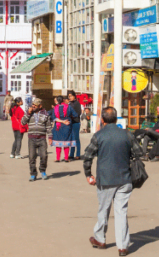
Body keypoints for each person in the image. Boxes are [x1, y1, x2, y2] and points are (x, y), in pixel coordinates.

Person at [83, 107, 143, 256]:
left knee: (103, 210)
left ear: (102, 120)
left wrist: (88, 174)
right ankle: (122, 246)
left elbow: (87, 156)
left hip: (105, 179)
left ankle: (100, 239)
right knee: (121, 212)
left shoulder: (98, 136)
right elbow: (139, 152)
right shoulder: (127, 134)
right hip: (125, 178)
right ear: (116, 119)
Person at [22, 98, 53, 181]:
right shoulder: (29, 113)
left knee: (44, 155)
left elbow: (49, 127)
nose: (33, 106)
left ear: (40, 106)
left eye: (35, 105)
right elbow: (23, 122)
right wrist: (28, 113)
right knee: (32, 157)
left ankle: (42, 170)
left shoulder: (45, 114)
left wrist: (50, 137)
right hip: (32, 139)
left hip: (42, 138)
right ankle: (33, 174)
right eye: (33, 105)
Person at [52, 96, 74, 162]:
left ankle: (58, 158)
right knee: (66, 142)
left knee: (58, 143)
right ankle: (66, 158)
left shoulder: (55, 108)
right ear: (63, 100)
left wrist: (61, 121)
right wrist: (68, 119)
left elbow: (54, 118)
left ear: (57, 101)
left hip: (58, 126)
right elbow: (75, 114)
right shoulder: (69, 107)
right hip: (67, 125)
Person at [67, 91, 83, 159]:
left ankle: (78, 154)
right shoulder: (70, 103)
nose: (70, 97)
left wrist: (71, 116)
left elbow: (78, 113)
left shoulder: (77, 103)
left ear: (74, 96)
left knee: (76, 138)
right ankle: (71, 154)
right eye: (69, 96)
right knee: (72, 139)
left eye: (71, 96)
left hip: (76, 122)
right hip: (70, 122)